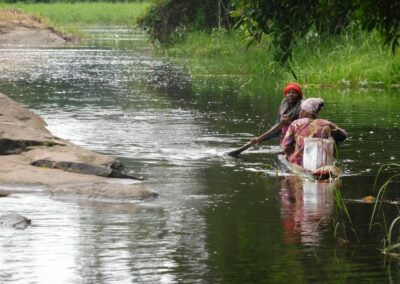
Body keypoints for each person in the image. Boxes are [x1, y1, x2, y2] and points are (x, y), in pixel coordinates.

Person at [281, 98, 347, 166]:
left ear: (308, 111)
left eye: (302, 110)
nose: (300, 112)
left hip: (300, 163)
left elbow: (285, 147)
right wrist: (335, 132)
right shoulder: (325, 123)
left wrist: (290, 156)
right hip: (323, 163)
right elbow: (344, 135)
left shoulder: (295, 124)